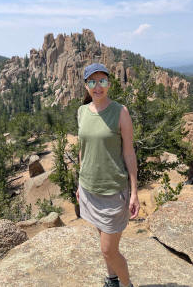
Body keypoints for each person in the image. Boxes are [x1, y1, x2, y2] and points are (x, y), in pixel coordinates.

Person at [76, 63, 140, 287]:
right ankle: (112, 280)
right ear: (86, 86)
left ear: (109, 84)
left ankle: (126, 284)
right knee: (104, 245)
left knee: (108, 249)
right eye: (92, 82)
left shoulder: (120, 112)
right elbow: (83, 149)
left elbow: (129, 152)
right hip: (89, 189)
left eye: (102, 81)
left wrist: (134, 192)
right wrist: (79, 183)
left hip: (113, 191)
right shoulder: (82, 111)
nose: (97, 87)